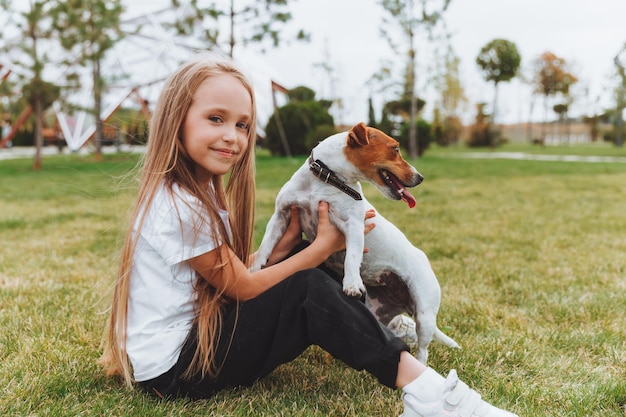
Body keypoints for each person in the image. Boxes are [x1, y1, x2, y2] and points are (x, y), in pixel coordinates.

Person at [99, 54, 518, 417]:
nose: (232, 135)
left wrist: (289, 246)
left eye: (243, 125)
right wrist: (319, 250)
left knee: (306, 264)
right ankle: (427, 393)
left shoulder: (197, 192)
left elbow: (224, 280)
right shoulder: (179, 205)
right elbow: (242, 288)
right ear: (176, 120)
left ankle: (379, 333)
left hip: (190, 350)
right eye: (215, 119)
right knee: (307, 287)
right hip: (177, 372)